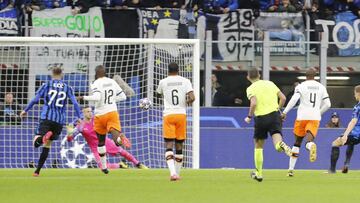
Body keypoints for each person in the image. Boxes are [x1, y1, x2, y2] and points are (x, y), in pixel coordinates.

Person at [20, 68, 83, 177]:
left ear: (52, 74)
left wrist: (25, 110)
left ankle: (42, 138)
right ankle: (37, 171)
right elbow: (75, 103)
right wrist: (80, 117)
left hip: (47, 118)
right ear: (62, 75)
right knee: (47, 145)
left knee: (36, 142)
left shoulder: (47, 85)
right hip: (59, 121)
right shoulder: (68, 87)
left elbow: (35, 100)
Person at [77, 65, 131, 174]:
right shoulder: (112, 81)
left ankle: (104, 167)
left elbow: (97, 97)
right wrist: (111, 100)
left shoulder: (95, 83)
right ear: (105, 73)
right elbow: (123, 97)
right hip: (112, 113)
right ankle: (120, 139)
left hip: (100, 115)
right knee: (116, 141)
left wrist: (83, 97)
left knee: (100, 141)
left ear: (96, 74)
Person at [244, 68, 292, 182]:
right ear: (259, 75)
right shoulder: (270, 83)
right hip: (274, 115)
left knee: (258, 146)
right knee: (277, 139)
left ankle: (259, 173)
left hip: (261, 118)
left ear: (248, 77)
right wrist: (278, 109)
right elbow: (283, 98)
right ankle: (282, 145)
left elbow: (254, 102)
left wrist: (249, 116)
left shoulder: (250, 88)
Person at [282, 69, 331, 177]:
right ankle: (310, 145)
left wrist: (285, 112)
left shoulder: (301, 86)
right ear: (315, 76)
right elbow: (328, 104)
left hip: (302, 116)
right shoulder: (321, 87)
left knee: (297, 143)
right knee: (309, 139)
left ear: (306, 76)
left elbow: (294, 99)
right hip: (314, 117)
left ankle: (290, 170)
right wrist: (319, 112)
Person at [66, 107, 148, 169]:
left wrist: (116, 135)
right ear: (83, 113)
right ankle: (120, 165)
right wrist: (69, 134)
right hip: (95, 148)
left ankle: (138, 164)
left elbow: (107, 128)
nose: (90, 113)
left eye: (91, 111)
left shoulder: (96, 120)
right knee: (102, 166)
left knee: (122, 152)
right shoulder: (80, 126)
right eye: (88, 112)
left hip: (105, 142)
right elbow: (69, 140)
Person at [156, 62, 195, 181]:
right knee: (179, 145)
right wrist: (185, 102)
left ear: (168, 70)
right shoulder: (186, 81)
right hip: (181, 114)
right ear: (179, 70)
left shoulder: (163, 82)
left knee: (169, 145)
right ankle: (177, 174)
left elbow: (158, 95)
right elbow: (193, 98)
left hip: (168, 115)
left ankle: (173, 173)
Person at [328, 85, 360, 174]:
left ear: (358, 93)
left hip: (357, 134)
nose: (354, 96)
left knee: (335, 143)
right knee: (351, 143)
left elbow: (353, 121)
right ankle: (346, 164)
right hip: (356, 136)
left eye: (355, 93)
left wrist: (345, 134)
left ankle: (332, 170)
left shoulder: (357, 107)